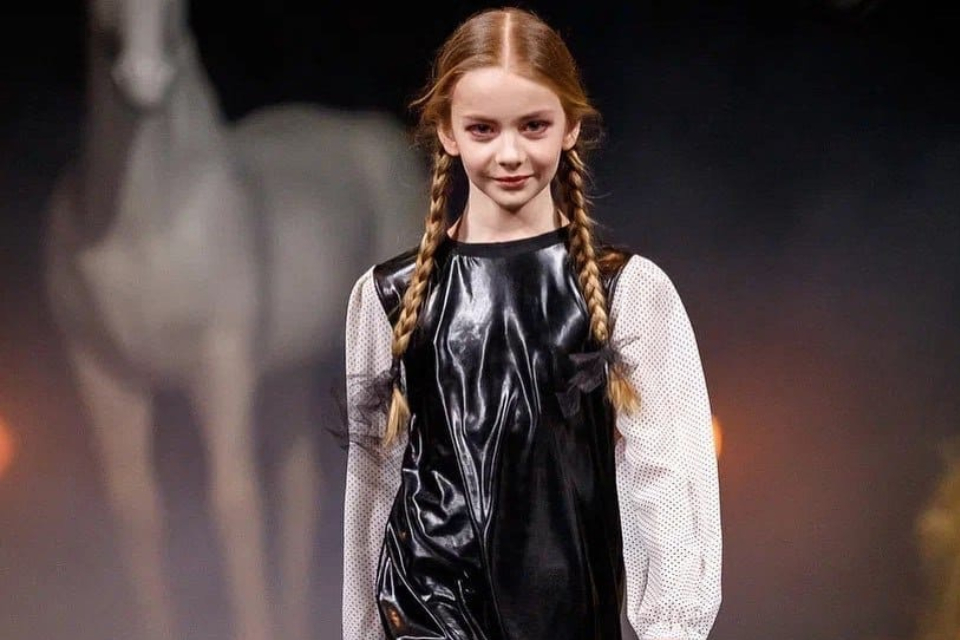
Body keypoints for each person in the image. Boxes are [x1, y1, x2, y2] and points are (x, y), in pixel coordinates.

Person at [340, 6, 721, 639]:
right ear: (448, 132)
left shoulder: (627, 292)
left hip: (567, 618)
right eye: (483, 129)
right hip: (427, 614)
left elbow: (666, 478)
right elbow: (374, 490)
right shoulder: (390, 297)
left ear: (571, 126)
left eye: (533, 125)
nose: (510, 153)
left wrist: (672, 629)